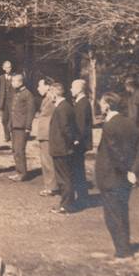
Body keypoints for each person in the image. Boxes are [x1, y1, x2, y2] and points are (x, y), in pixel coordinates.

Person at [95, 93, 139, 259]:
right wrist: (132, 171)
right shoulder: (130, 123)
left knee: (113, 216)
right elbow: (136, 148)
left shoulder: (109, 126)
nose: (100, 106)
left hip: (111, 176)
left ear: (107, 105)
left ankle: (122, 251)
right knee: (122, 212)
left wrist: (125, 169)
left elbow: (114, 153)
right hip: (125, 178)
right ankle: (124, 246)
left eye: (101, 103)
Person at [47, 82, 80, 214]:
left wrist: (70, 143)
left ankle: (66, 205)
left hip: (61, 149)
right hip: (62, 148)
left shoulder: (62, 108)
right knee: (65, 177)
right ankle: (67, 203)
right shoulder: (65, 106)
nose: (49, 96)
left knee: (63, 178)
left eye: (50, 93)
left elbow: (67, 130)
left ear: (55, 93)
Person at [8, 74, 35, 182]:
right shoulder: (16, 93)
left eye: (14, 81)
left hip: (22, 126)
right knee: (15, 150)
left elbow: (31, 111)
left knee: (19, 150)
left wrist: (28, 126)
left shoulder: (27, 94)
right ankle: (18, 171)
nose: (12, 83)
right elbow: (13, 110)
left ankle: (23, 173)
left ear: (20, 82)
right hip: (15, 125)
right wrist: (10, 123)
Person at [70, 79, 93, 205]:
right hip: (80, 141)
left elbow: (81, 125)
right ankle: (82, 196)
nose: (71, 89)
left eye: (72, 87)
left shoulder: (83, 103)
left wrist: (76, 139)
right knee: (78, 169)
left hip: (79, 142)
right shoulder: (81, 102)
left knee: (78, 169)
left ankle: (82, 197)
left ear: (79, 89)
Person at [34, 78, 58, 197]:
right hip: (44, 134)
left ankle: (52, 187)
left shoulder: (52, 100)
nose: (38, 88)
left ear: (48, 86)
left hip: (48, 134)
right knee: (46, 161)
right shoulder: (47, 99)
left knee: (48, 161)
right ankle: (51, 185)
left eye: (40, 85)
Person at [0, 60, 15, 142]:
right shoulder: (1, 78)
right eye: (7, 67)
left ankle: (13, 134)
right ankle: (7, 136)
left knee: (12, 119)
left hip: (12, 101)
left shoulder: (15, 76)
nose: (9, 69)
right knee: (4, 120)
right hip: (3, 102)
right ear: (3, 68)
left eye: (10, 67)